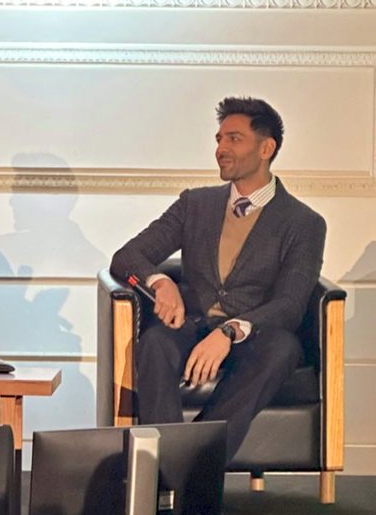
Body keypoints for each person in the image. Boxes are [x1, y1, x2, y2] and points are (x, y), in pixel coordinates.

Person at [110, 96, 326, 463]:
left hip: (255, 335)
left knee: (283, 349)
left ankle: (193, 463)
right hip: (192, 324)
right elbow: (126, 258)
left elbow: (290, 305)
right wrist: (160, 282)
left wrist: (229, 332)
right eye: (219, 139)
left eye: (234, 139)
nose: (221, 149)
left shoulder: (303, 223)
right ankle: (169, 470)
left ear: (266, 147)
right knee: (155, 344)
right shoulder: (196, 204)